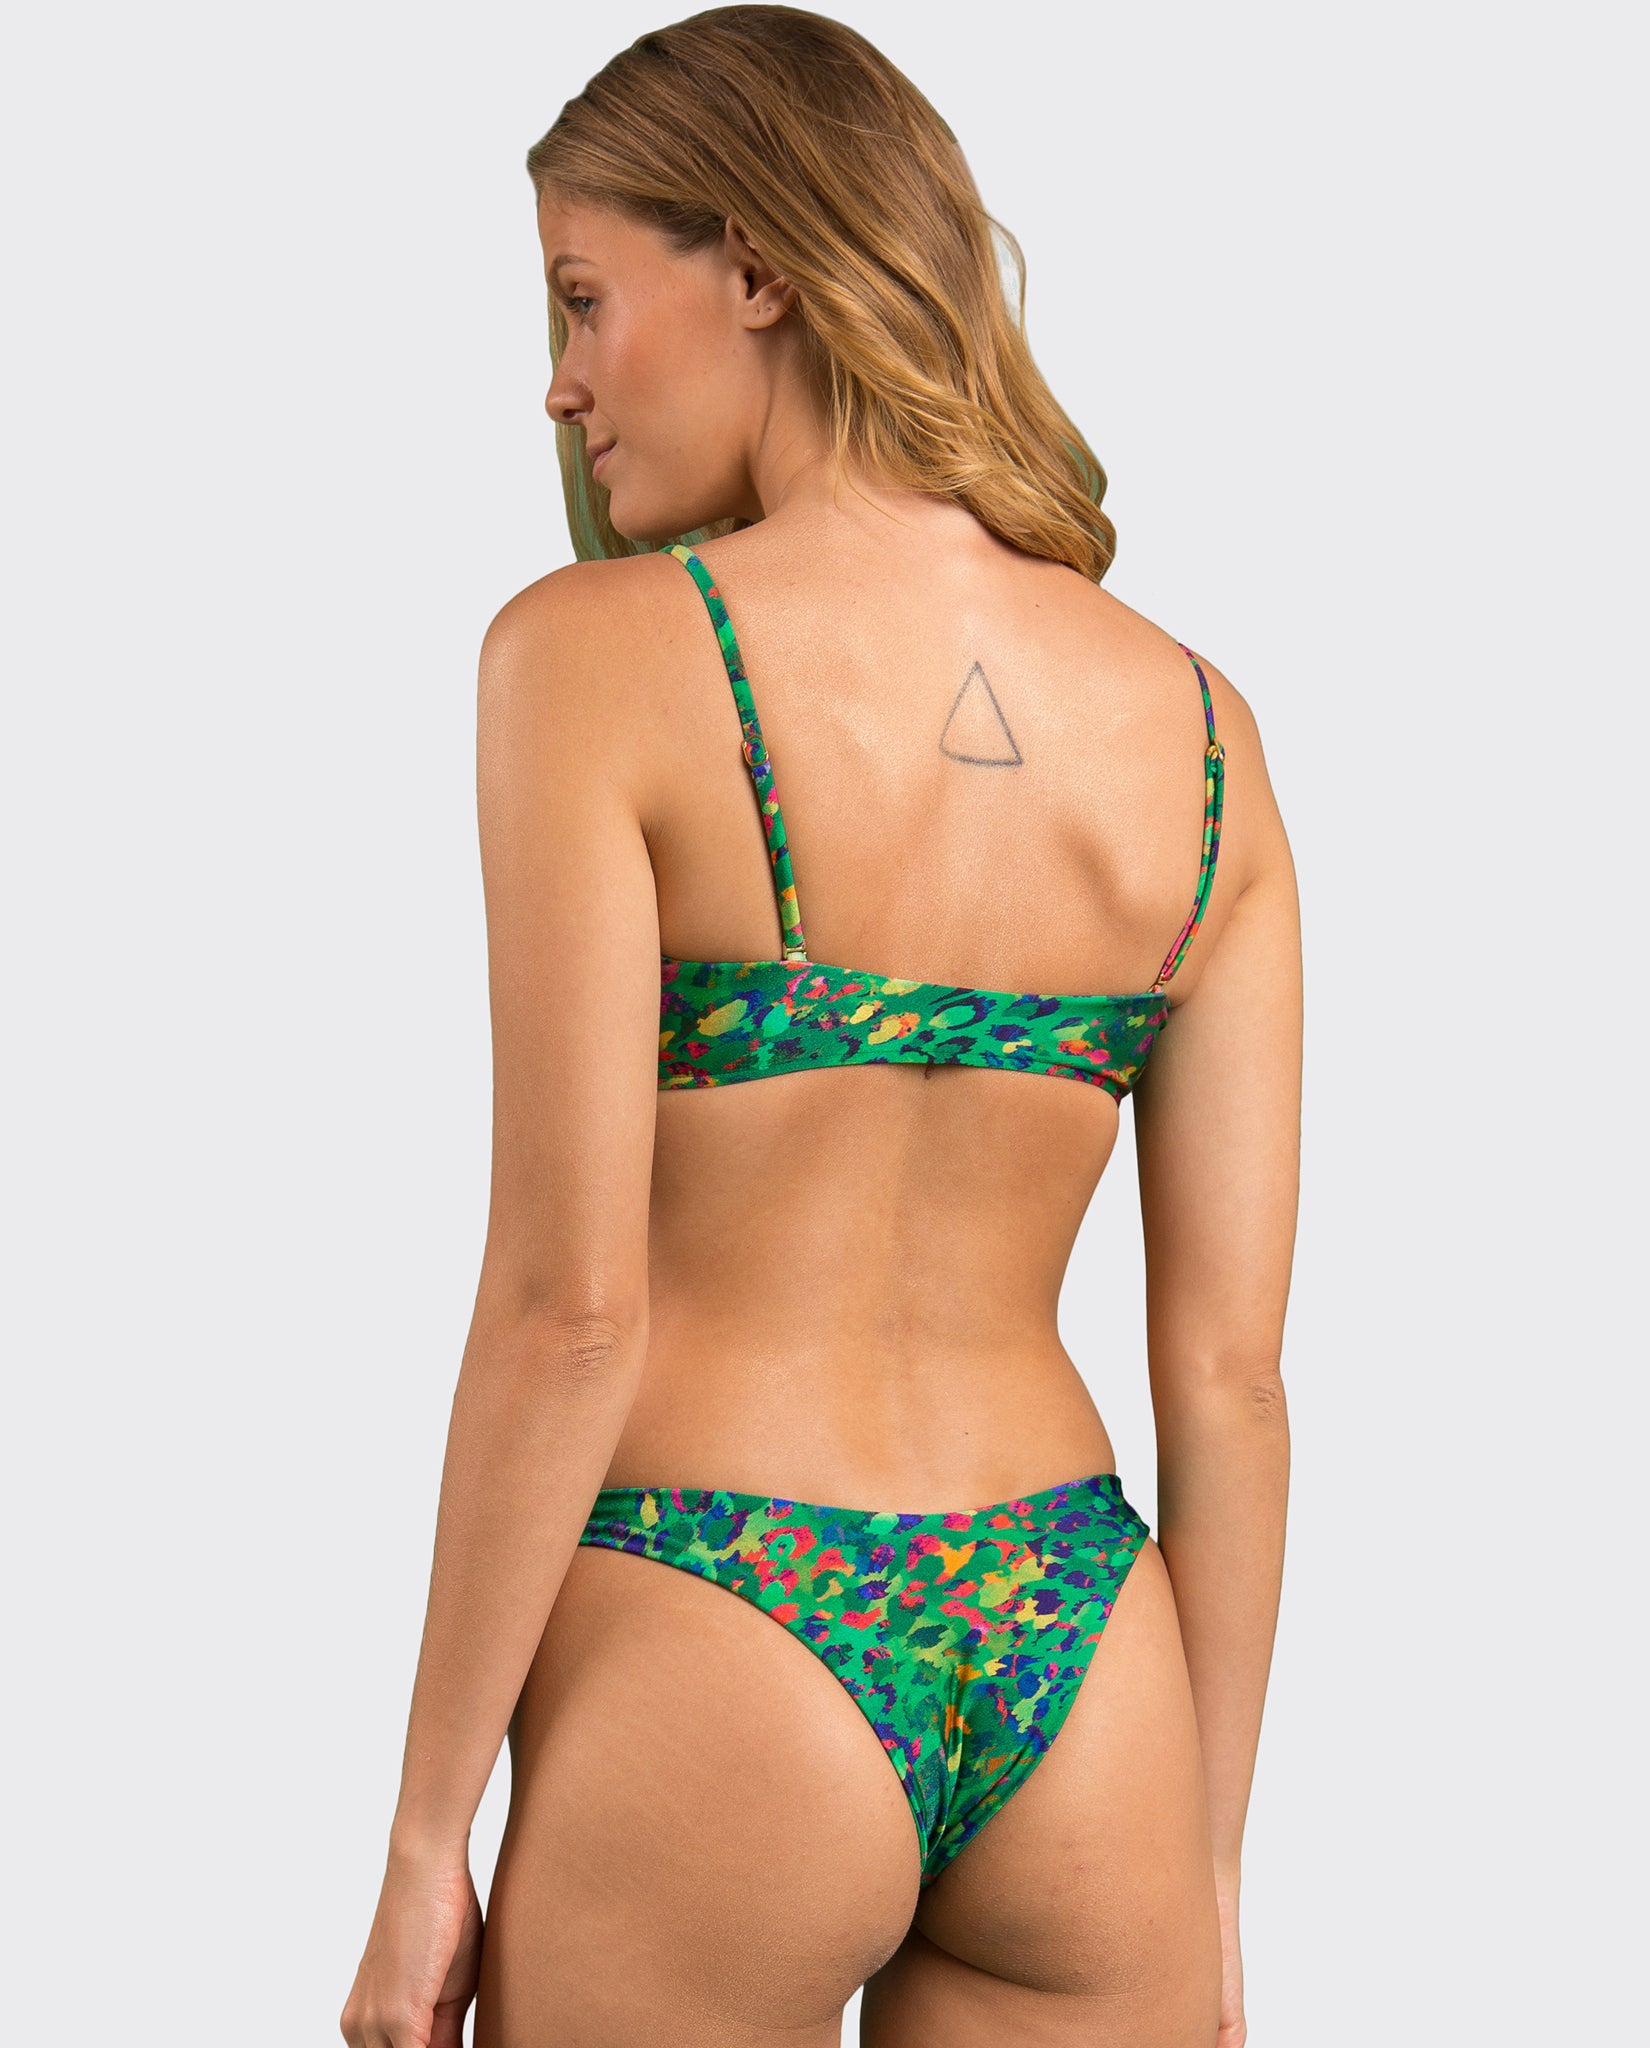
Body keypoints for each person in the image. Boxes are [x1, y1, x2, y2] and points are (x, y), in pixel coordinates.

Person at [341, 7, 1300, 2045]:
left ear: (761, 268)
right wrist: (1208, 1867)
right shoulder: (1206, 734)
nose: (560, 380)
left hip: (721, 1608)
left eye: (585, 297)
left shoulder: (595, 660)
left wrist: (427, 1836)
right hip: (1082, 1652)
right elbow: (1227, 1379)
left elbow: (568, 1310)